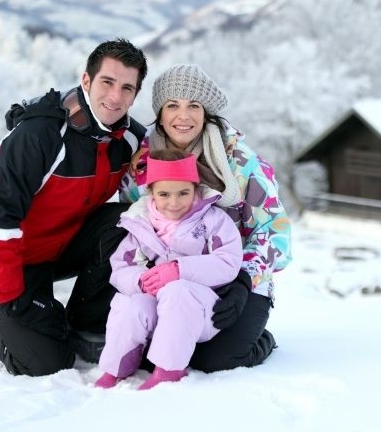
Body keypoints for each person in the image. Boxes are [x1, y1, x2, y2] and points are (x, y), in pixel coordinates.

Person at [0, 38, 149, 376]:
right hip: (13, 255)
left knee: (129, 223)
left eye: (127, 88)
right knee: (50, 362)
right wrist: (10, 298)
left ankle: (83, 322)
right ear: (86, 81)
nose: (115, 96)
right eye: (107, 82)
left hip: (64, 244)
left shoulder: (128, 140)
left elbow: (173, 161)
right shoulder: (41, 134)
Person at [118, 64, 292, 373]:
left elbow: (275, 232)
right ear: (160, 112)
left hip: (235, 278)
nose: (182, 116)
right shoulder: (143, 164)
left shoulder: (240, 161)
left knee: (215, 360)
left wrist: (242, 278)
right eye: (172, 105)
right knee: (152, 352)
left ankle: (258, 338)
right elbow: (137, 225)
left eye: (193, 106)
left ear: (206, 112)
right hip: (171, 279)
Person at [96, 150, 243, 390]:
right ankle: (117, 367)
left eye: (183, 193)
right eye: (164, 194)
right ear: (151, 193)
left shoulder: (212, 220)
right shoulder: (140, 223)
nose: (174, 203)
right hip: (159, 311)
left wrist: (179, 269)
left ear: (195, 190)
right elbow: (122, 265)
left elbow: (228, 261)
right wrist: (141, 281)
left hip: (200, 311)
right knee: (129, 304)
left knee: (178, 291)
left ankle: (169, 369)